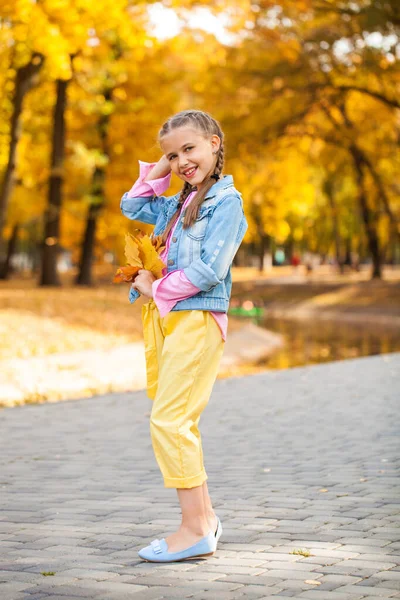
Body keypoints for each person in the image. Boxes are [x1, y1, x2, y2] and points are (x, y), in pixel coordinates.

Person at [120, 109, 248, 562]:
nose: (180, 161)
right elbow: (131, 206)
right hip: (167, 320)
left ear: (215, 142)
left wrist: (155, 287)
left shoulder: (225, 204)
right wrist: (160, 167)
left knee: (170, 421)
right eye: (172, 155)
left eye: (188, 149)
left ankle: (193, 528)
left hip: (194, 318)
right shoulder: (177, 202)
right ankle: (206, 520)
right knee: (175, 417)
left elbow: (210, 269)